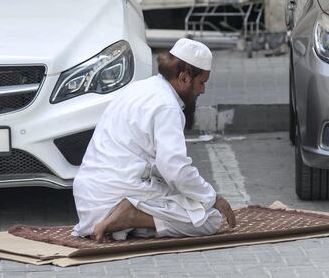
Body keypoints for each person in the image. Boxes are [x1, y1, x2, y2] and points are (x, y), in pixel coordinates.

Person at [72, 38, 237, 243]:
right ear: (184, 78)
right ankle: (129, 216)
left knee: (186, 199)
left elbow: (161, 167)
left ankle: (133, 223)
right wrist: (213, 198)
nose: (202, 90)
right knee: (209, 218)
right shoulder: (167, 106)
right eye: (201, 82)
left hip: (89, 200)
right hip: (118, 192)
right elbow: (174, 169)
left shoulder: (140, 88)